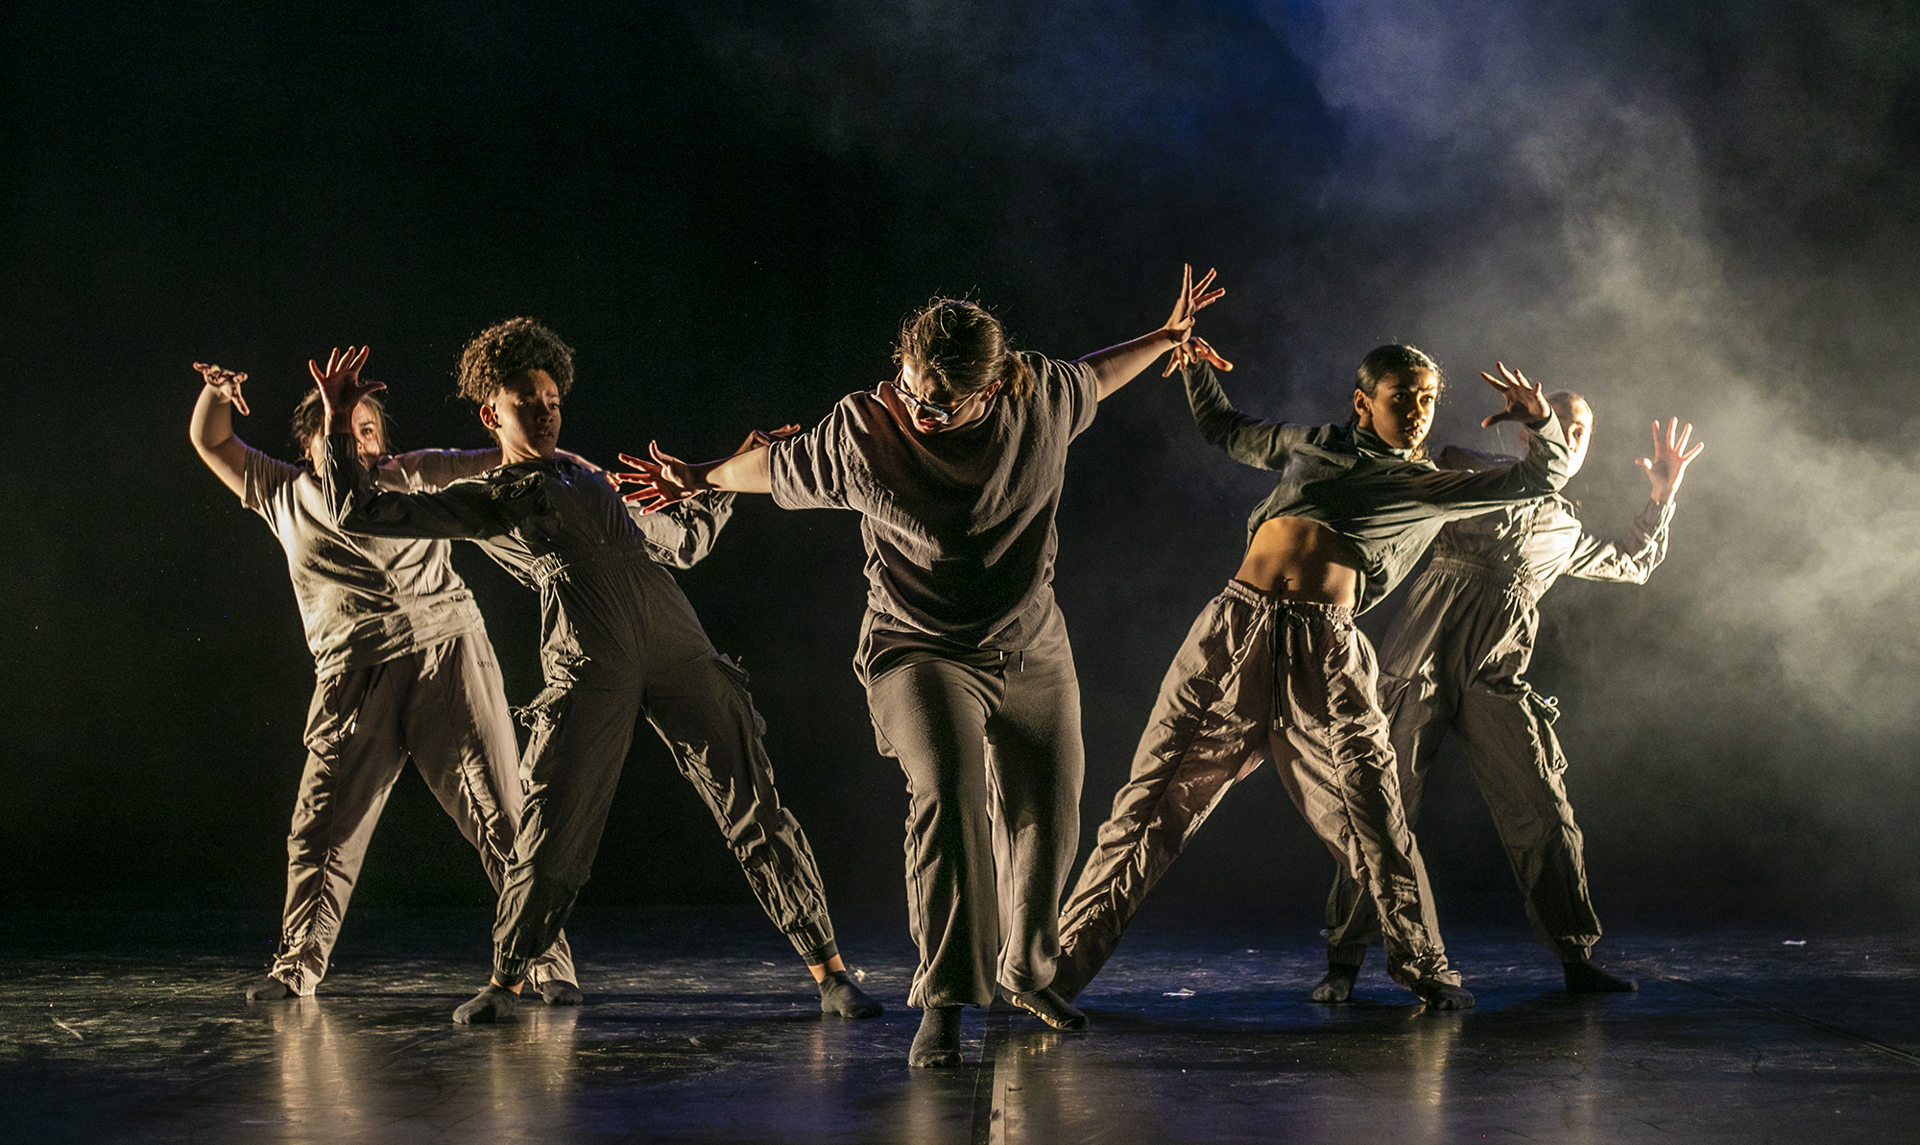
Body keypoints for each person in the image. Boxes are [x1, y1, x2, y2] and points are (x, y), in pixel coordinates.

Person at [615, 267, 1226, 1067]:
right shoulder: (865, 430)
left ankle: (1026, 970)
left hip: (1032, 642)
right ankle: (944, 1000)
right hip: (917, 646)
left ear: (998, 385)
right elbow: (775, 467)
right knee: (948, 792)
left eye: (940, 404)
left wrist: (1165, 337)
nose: (918, 412)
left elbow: (1098, 376)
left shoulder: (1040, 396)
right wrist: (701, 476)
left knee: (1051, 809)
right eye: (909, 390)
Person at [310, 324, 881, 1026]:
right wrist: (339, 426)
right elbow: (360, 510)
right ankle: (508, 978)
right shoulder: (493, 494)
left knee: (754, 806)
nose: (546, 410)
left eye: (552, 397)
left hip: (677, 644)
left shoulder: (593, 480)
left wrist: (732, 472)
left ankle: (830, 971)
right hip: (589, 659)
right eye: (527, 400)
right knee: (553, 827)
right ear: (493, 414)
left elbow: (687, 540)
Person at [1052, 340, 1577, 1011]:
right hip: (1232, 633)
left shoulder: (1428, 485)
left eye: (1426, 399)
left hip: (1326, 653)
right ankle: (1056, 972)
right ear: (1364, 402)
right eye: (1401, 398)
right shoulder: (1314, 444)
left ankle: (1424, 965)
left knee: (1372, 814)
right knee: (1153, 804)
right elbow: (1227, 429)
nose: (1417, 412)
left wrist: (1540, 422)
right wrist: (1193, 365)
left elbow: (1539, 480)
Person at [187, 357, 578, 1004]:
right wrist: (215, 391)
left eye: (370, 429)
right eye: (344, 428)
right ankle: (297, 965)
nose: (361, 440)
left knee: (502, 812)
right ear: (313, 443)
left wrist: (547, 442)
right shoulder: (283, 493)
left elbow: (500, 461)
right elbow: (212, 439)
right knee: (322, 827)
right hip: (349, 674)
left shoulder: (412, 475)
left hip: (446, 654)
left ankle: (543, 958)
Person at [1313, 397, 1704, 1001]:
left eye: (1581, 431)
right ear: (1529, 436)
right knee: (1380, 806)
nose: (1571, 439)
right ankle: (1344, 961)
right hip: (1421, 660)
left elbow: (1636, 562)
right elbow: (1405, 480)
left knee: (1543, 809)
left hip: (1494, 674)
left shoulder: (1565, 530)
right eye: (1559, 427)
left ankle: (1576, 959)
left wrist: (1662, 494)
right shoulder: (1471, 477)